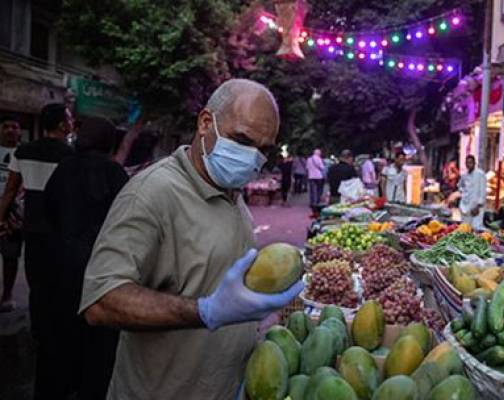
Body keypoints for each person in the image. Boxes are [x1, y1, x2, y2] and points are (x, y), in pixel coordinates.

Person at [78, 79, 302, 400]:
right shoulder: (151, 193)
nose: (252, 157)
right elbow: (101, 301)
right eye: (242, 139)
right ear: (205, 123)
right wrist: (206, 311)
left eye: (263, 149)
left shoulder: (231, 193)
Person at [44, 117, 129, 399]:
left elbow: (50, 212)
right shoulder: (115, 174)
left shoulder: (63, 170)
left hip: (61, 269)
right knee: (98, 350)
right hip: (102, 274)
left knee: (59, 342)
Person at [0, 103, 74, 398]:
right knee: (60, 285)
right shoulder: (70, 156)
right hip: (60, 231)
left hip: (32, 231)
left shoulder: (23, 152)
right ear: (60, 125)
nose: (71, 123)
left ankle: (39, 331)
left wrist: (1, 218)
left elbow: (9, 191)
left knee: (37, 283)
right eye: (68, 119)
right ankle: (56, 337)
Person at [0, 115, 22, 312]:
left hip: (12, 216)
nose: (9, 130)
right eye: (5, 126)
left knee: (10, 257)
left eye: (14, 127)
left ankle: (7, 295)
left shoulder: (24, 153)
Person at [459, 155, 487, 230]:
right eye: (467, 163)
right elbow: (460, 186)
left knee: (476, 228)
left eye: (471, 162)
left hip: (476, 207)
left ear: (475, 163)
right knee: (465, 229)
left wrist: (478, 206)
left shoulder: (480, 174)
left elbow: (483, 191)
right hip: (465, 207)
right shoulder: (464, 175)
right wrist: (463, 195)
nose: (469, 164)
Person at [306, 148, 325, 214]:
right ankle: (317, 202)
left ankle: (312, 203)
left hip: (311, 176)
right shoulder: (319, 159)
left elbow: (307, 168)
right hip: (318, 176)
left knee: (312, 190)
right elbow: (322, 167)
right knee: (319, 190)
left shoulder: (309, 159)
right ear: (319, 153)